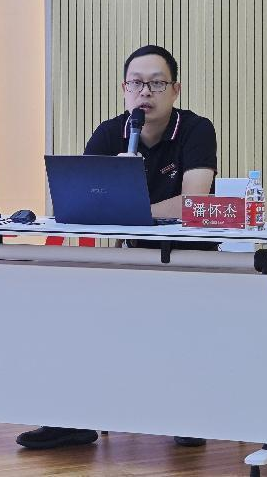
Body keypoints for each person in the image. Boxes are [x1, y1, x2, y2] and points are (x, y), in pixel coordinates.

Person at [16, 45, 218, 450]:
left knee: (177, 323)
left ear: (175, 90)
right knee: (69, 309)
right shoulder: (111, 133)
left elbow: (195, 201)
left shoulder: (196, 129)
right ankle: (73, 419)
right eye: (136, 83)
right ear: (124, 89)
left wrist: (128, 208)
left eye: (157, 83)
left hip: (189, 263)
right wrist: (122, 198)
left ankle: (188, 412)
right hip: (130, 260)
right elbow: (80, 198)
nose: (146, 92)